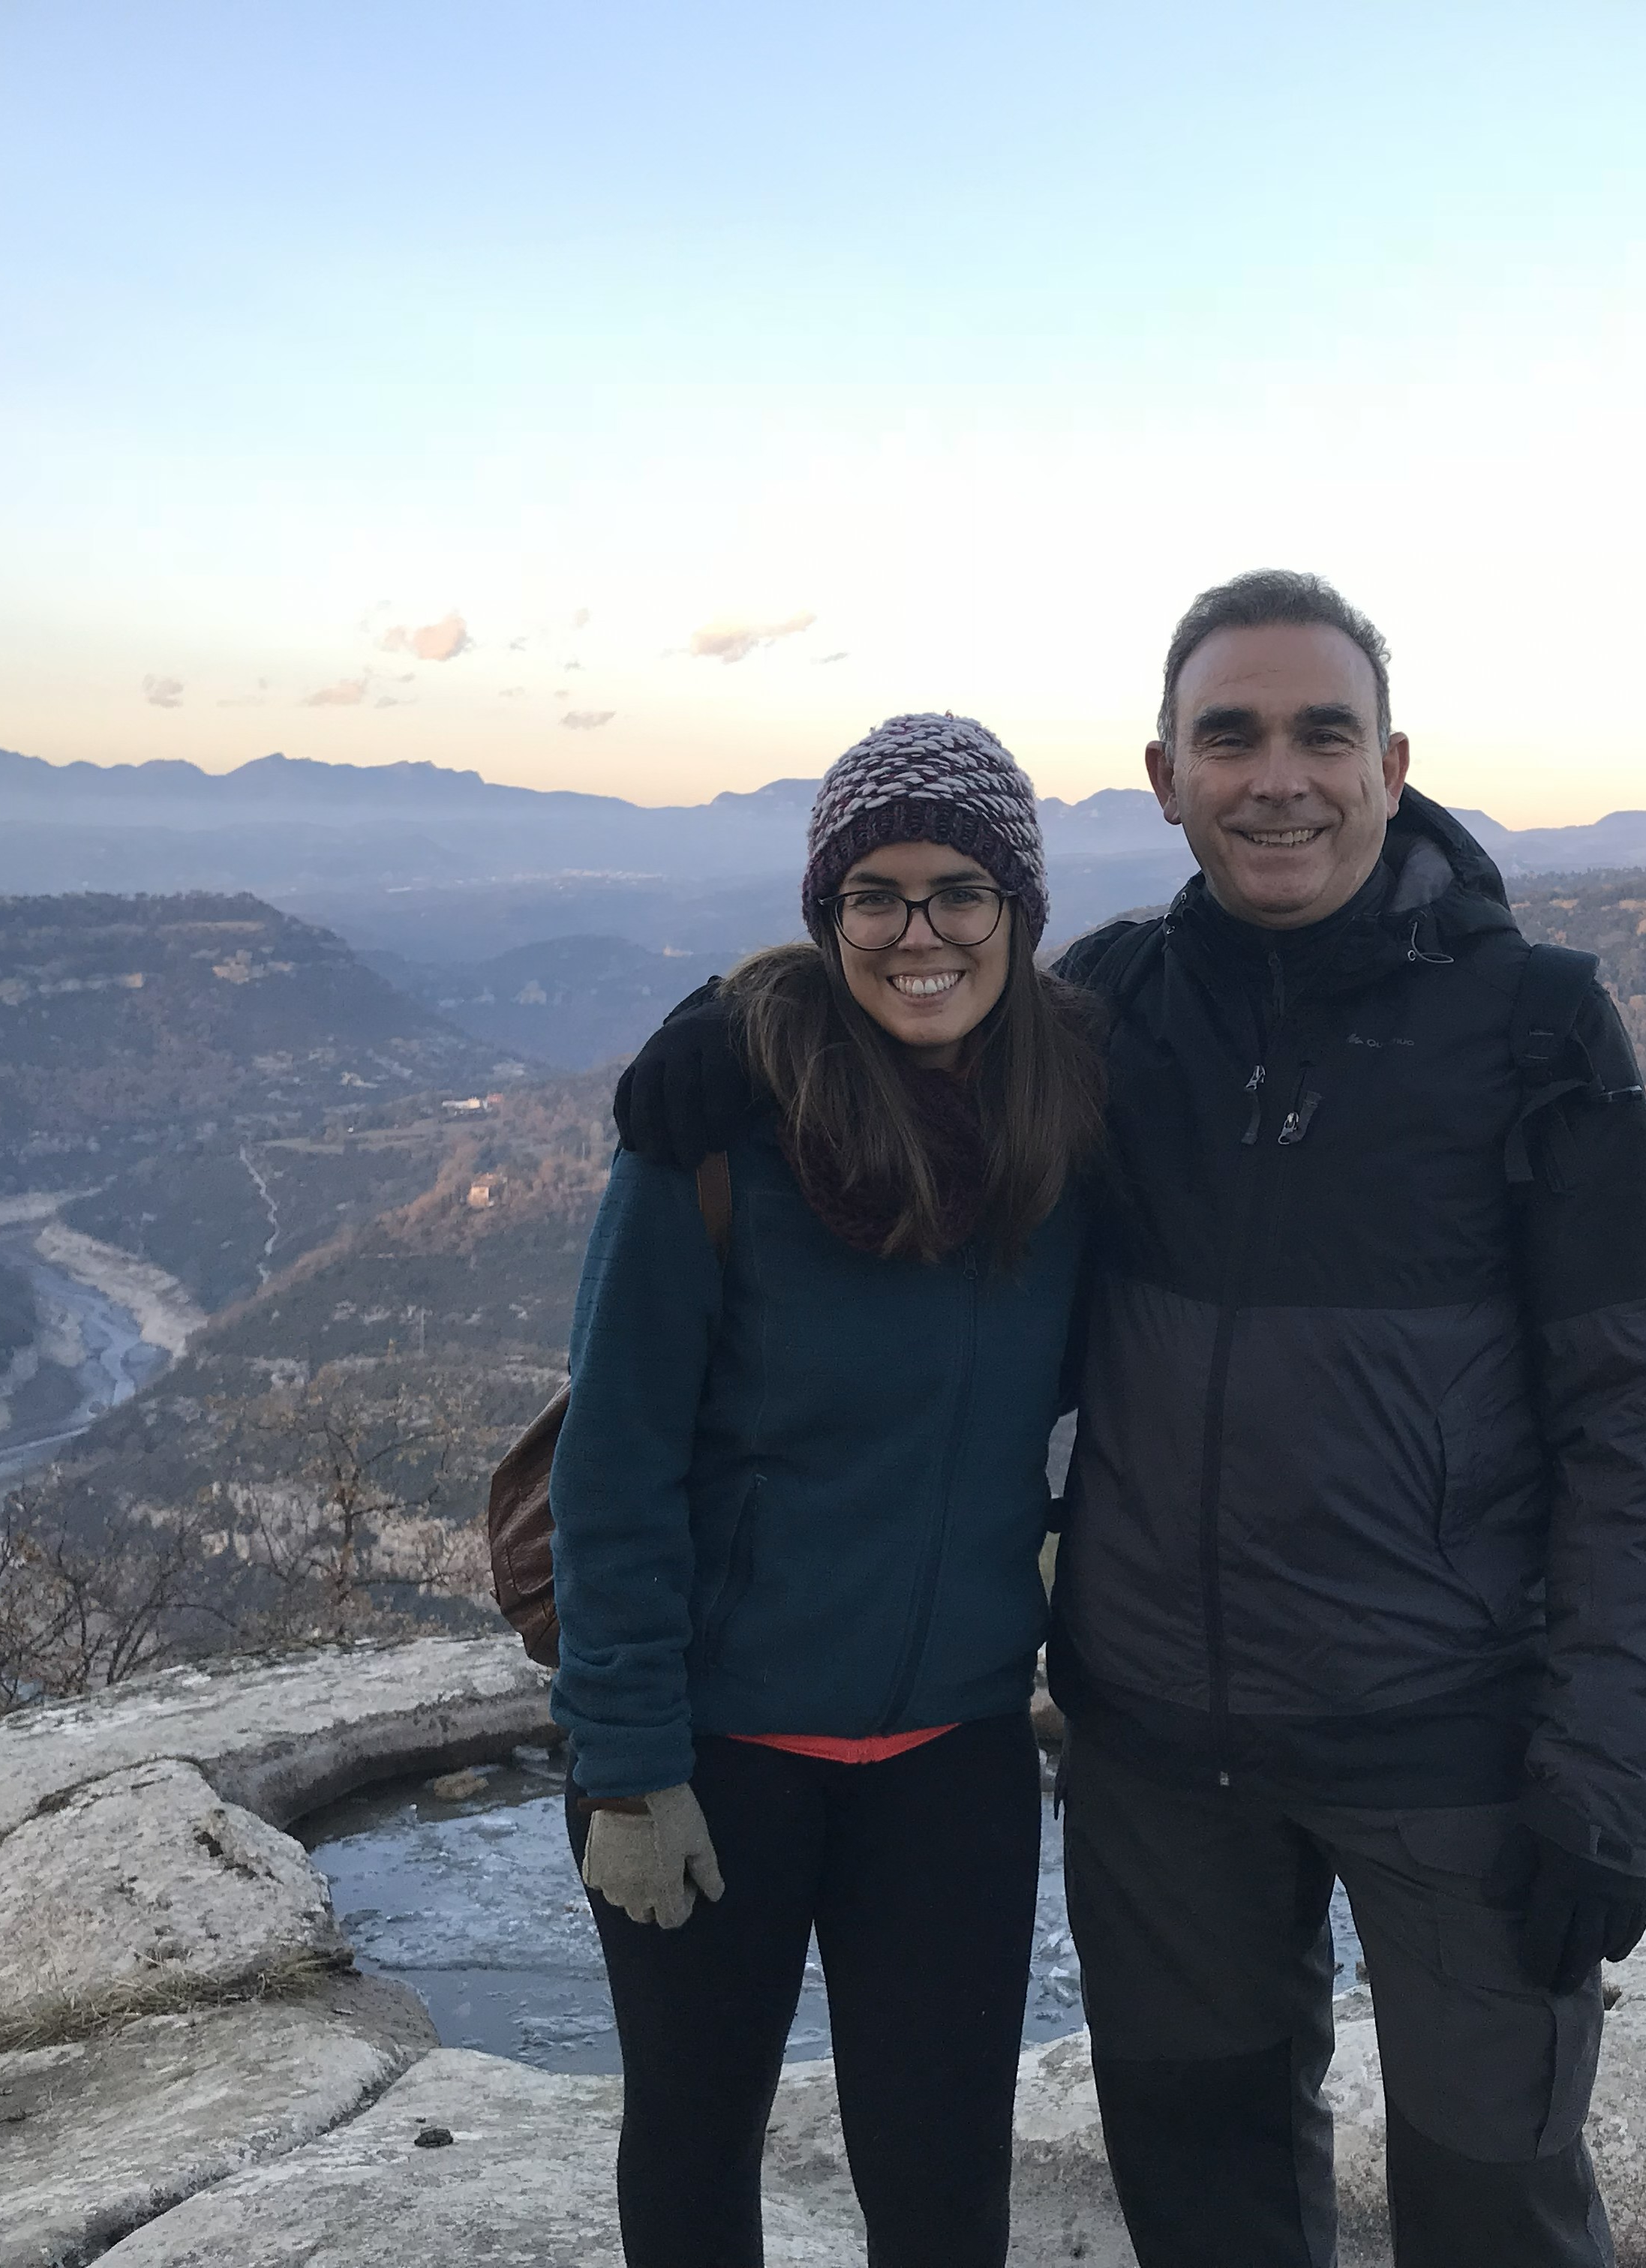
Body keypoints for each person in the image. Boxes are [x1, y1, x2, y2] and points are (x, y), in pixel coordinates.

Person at [615, 574, 1646, 2268]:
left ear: (1393, 759)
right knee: (1205, 2209)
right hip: (1161, 1766)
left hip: (1447, 1749)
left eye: (1318, 732)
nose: (1275, 774)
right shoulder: (1112, 1016)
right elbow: (923, 1010)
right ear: (1164, 774)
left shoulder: (1536, 1032)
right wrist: (733, 1031)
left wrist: (1606, 1773)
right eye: (1232, 735)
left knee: (1491, 2203)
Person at [551, 712, 1106, 2268]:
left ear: (1020, 913)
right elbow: (617, 1462)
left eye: (960, 892)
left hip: (954, 1761)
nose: (919, 932)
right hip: (716, 1755)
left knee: (941, 2183)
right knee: (694, 2147)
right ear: (826, 917)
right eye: (875, 894)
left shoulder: (1060, 1127)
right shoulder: (717, 1139)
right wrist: (625, 1762)